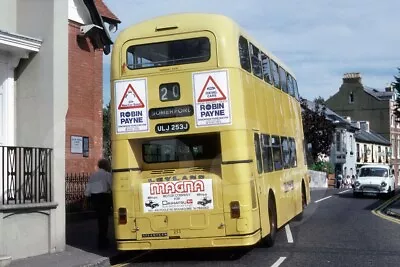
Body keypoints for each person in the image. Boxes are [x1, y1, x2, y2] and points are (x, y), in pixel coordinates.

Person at [84, 158, 113, 249]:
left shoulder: (93, 175)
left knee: (100, 220)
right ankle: (102, 241)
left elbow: (88, 189)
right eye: (108, 164)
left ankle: (102, 240)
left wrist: (85, 202)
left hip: (95, 198)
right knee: (104, 221)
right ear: (105, 166)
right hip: (104, 197)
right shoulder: (107, 174)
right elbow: (112, 186)